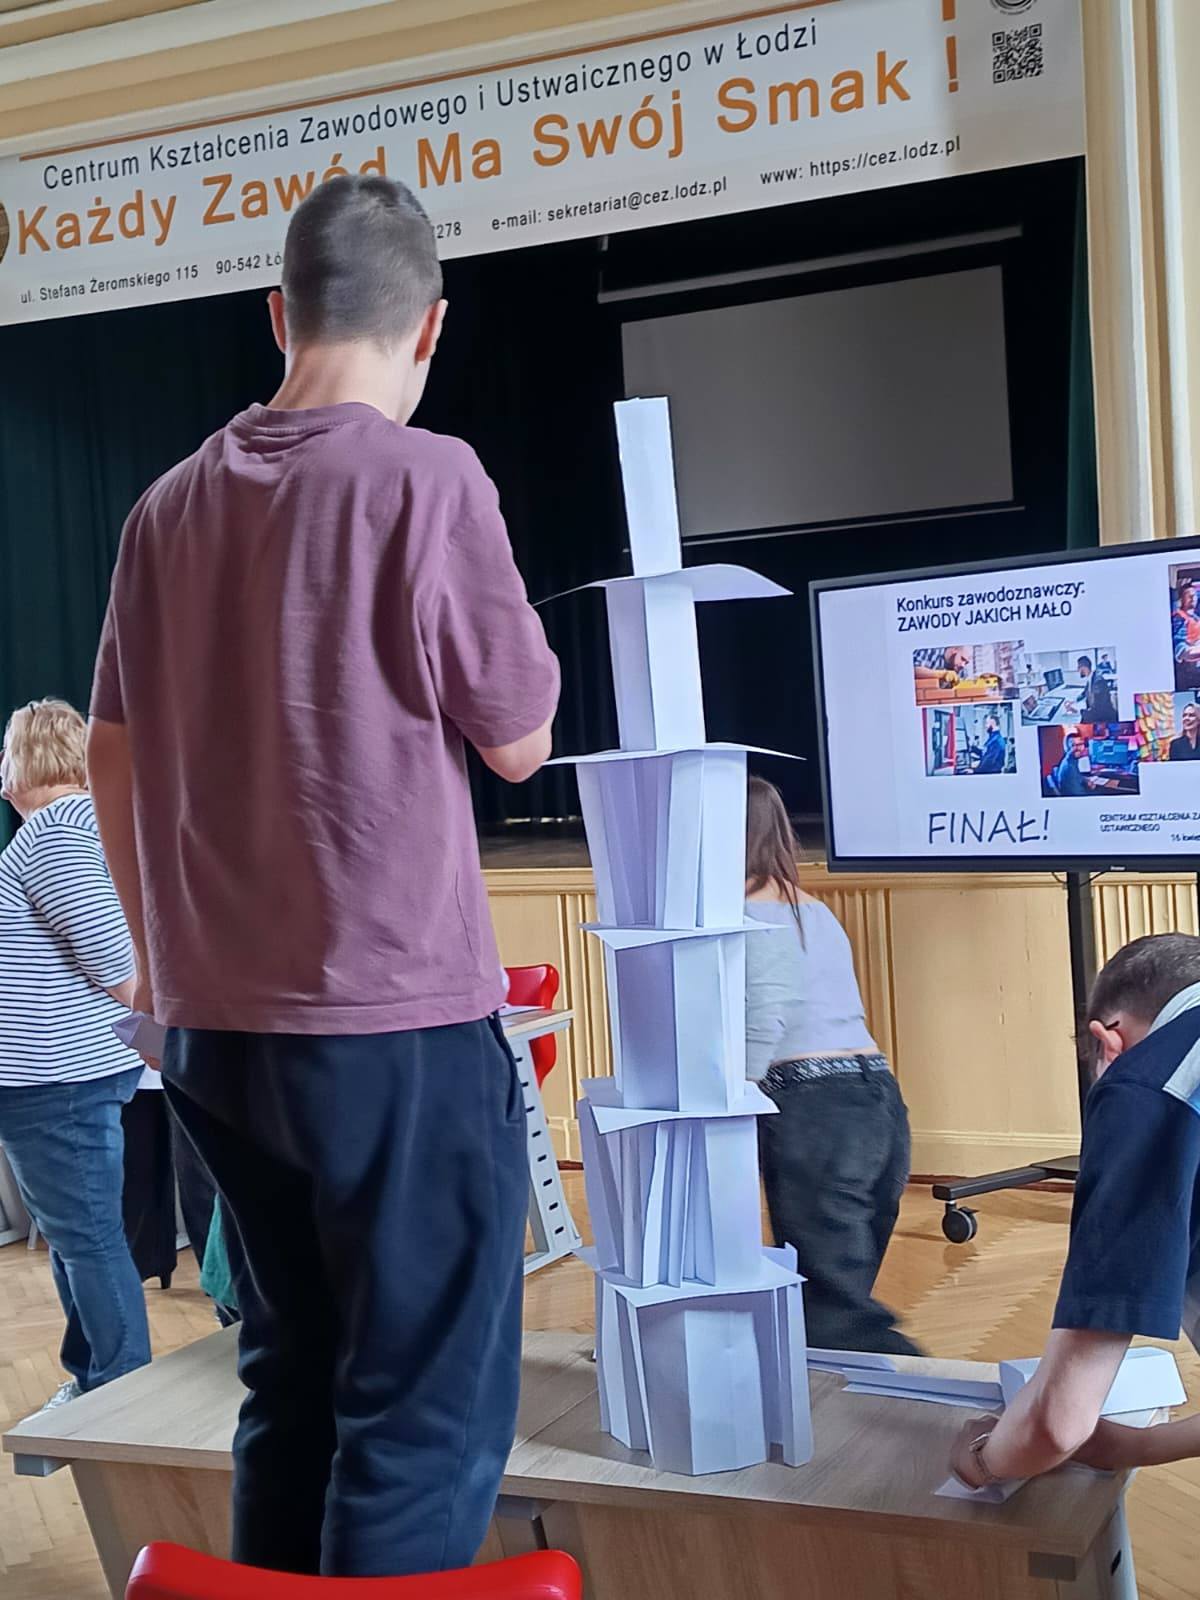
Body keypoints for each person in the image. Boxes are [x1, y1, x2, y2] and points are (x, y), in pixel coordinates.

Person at [86, 175, 560, 1579]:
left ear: (277, 313)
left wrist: (160, 960)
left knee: (290, 1386)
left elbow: (110, 750)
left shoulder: (163, 507)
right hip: (391, 1026)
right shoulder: (431, 477)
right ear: (432, 328)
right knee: (420, 1417)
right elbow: (520, 740)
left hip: (215, 1036)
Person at [950, 933, 1200, 1491]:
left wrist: (983, 1458)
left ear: (1107, 1039)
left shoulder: (1147, 1088)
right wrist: (1139, 1445)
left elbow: (1055, 1426)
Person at [0, 699, 150, 1409]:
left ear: (28, 759)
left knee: (87, 1239)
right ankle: (96, 1384)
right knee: (75, 1237)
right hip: (57, 1079)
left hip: (58, 1081)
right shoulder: (73, 829)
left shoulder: (55, 836)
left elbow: (120, 967)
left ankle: (122, 1397)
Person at [744, 776, 919, 1355]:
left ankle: (931, 1392)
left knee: (836, 1310)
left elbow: (764, 1019)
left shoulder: (748, 912)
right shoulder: (809, 908)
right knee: (842, 1288)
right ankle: (844, 1398)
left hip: (814, 1110)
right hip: (877, 1099)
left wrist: (735, 1097)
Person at [1077, 655, 1117, 723]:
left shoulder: (1098, 682)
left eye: (1079, 667)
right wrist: (1073, 701)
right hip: (1098, 715)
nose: (1077, 670)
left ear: (1084, 668)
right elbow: (1085, 692)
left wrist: (1077, 711)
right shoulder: (1092, 677)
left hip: (1105, 719)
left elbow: (1097, 711)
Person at [1051, 731, 1092, 797]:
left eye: (1082, 744)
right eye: (1075, 745)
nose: (1082, 748)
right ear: (1067, 748)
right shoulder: (1070, 768)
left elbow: (1077, 776)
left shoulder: (1071, 760)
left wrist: (1086, 781)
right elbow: (1079, 796)